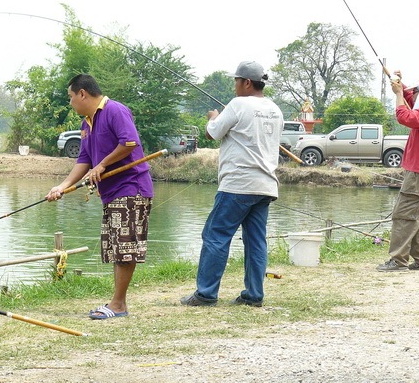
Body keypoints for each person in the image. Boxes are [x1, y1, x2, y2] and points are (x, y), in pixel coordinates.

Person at [46, 74, 154, 319]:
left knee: (125, 248)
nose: (71, 102)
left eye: (71, 97)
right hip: (112, 194)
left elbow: (129, 143)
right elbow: (84, 160)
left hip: (131, 188)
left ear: (82, 93)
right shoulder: (87, 123)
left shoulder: (115, 110)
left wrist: (102, 165)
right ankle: (118, 303)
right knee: (116, 248)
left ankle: (117, 305)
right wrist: (61, 186)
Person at [180, 60, 283, 307]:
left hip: (238, 184)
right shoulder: (275, 109)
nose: (235, 85)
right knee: (256, 240)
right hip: (266, 185)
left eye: (236, 81)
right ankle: (254, 295)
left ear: (247, 82)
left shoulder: (237, 104)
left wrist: (213, 117)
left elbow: (212, 133)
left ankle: (205, 294)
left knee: (216, 235)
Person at [377, 73, 419, 272]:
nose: (412, 96)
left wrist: (398, 94)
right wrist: (400, 86)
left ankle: (398, 260)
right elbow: (407, 100)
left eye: (415, 92)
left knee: (404, 215)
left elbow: (403, 116)